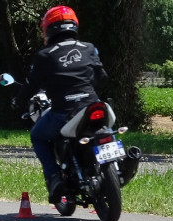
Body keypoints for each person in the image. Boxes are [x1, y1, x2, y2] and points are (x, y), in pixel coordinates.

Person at [12, 5, 108, 203]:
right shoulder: (88, 48)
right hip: (93, 105)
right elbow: (102, 77)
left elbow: (30, 84)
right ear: (73, 25)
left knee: (37, 136)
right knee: (107, 129)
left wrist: (17, 101)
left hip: (64, 112)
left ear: (48, 28)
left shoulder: (45, 55)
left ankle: (54, 177)